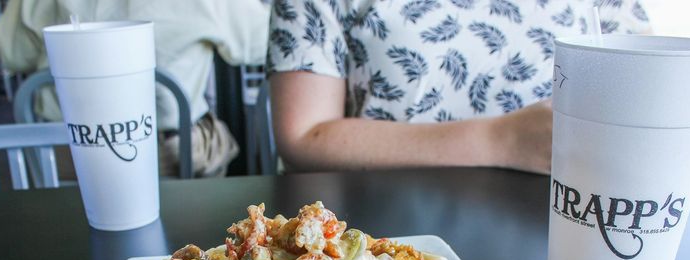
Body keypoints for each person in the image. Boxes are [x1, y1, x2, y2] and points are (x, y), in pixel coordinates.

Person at [267, 0, 651, 175]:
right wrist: (500, 141)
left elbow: (649, 98)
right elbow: (303, 135)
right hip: (379, 234)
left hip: (569, 228)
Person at [0, 0, 271, 177]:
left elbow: (12, 55)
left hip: (64, 157)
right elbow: (267, 43)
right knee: (216, 141)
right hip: (172, 158)